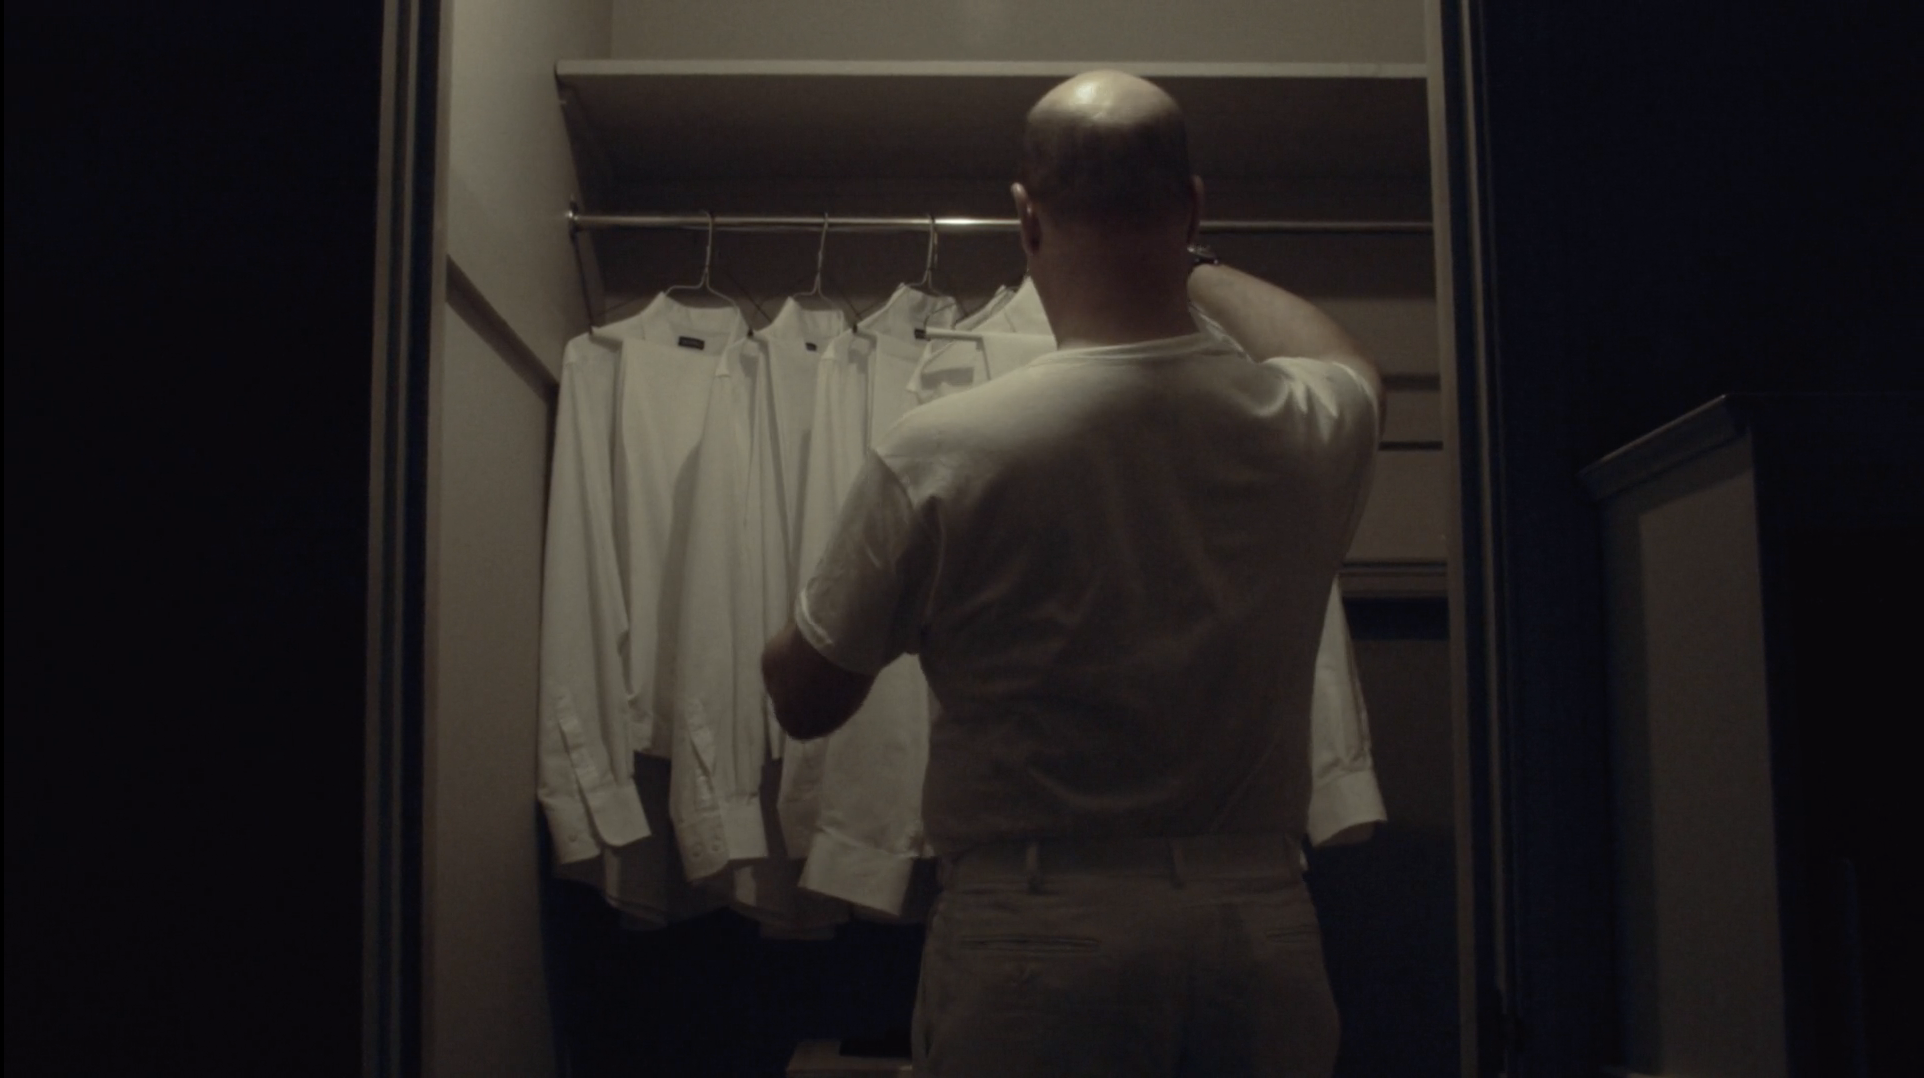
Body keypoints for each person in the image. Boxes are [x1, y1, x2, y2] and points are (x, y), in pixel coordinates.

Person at [761, 70, 1383, 1078]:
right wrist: (1191, 259)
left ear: (1025, 216)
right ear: (1192, 207)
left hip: (1037, 933)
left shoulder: (942, 448)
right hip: (1258, 924)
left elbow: (805, 698)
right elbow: (1345, 360)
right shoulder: (1306, 424)